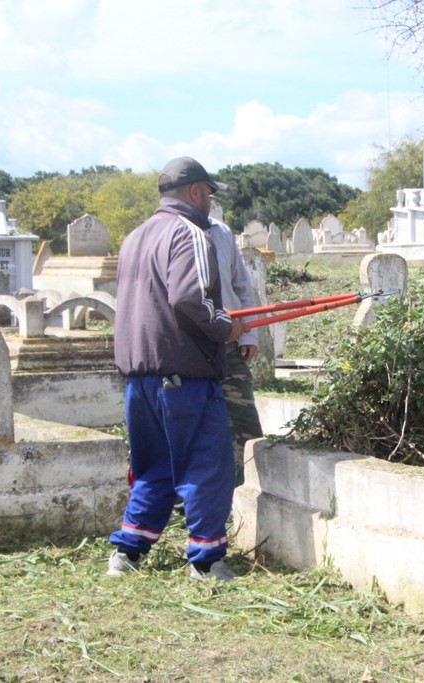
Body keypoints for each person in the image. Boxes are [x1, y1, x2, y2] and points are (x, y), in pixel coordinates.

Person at [108, 156, 247, 582]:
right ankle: (205, 561)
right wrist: (227, 326)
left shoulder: (135, 237)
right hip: (184, 376)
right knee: (205, 465)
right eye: (209, 194)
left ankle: (126, 553)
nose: (210, 203)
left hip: (139, 378)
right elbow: (191, 298)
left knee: (154, 467)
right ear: (196, 192)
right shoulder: (190, 233)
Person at [205, 214, 265, 488]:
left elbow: (242, 286)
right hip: (192, 350)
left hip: (230, 346)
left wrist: (248, 334)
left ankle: (243, 492)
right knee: (200, 428)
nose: (208, 198)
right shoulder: (170, 231)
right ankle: (192, 499)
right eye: (205, 193)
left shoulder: (221, 231)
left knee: (245, 425)